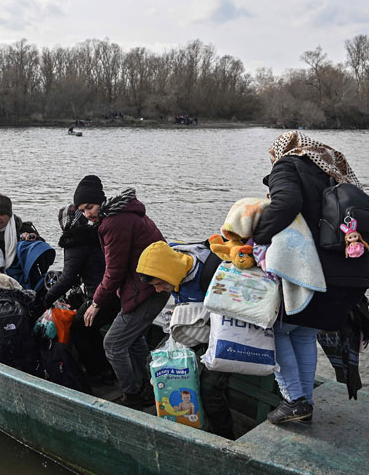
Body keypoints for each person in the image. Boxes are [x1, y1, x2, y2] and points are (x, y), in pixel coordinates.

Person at [251, 131, 369, 424]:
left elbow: (286, 203)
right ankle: (303, 404)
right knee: (305, 333)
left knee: (278, 331)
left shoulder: (288, 165)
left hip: (310, 272)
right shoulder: (338, 173)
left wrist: (257, 237)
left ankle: (295, 401)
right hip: (351, 274)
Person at [74, 175, 169, 409]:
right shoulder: (124, 215)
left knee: (113, 344)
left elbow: (114, 270)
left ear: (100, 201)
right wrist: (118, 289)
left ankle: (132, 396)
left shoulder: (113, 223)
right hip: (154, 284)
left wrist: (96, 303)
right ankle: (150, 387)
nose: (87, 214)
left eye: (90, 207)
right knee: (134, 338)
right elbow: (128, 260)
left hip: (150, 288)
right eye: (82, 210)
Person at [136, 240, 234, 439]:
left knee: (210, 388)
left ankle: (225, 437)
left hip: (224, 333)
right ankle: (186, 418)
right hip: (195, 326)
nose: (158, 290)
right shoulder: (174, 268)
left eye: (159, 284)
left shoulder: (211, 271)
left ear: (168, 272)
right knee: (154, 364)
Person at [43, 204, 120, 382]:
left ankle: (95, 372)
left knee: (78, 327)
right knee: (90, 328)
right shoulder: (97, 235)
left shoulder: (74, 242)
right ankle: (106, 369)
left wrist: (46, 299)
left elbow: (67, 278)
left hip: (100, 297)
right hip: (116, 294)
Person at [0, 194, 43, 270]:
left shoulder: (24, 229)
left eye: (1, 214)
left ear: (9, 215)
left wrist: (35, 240)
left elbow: (44, 251)